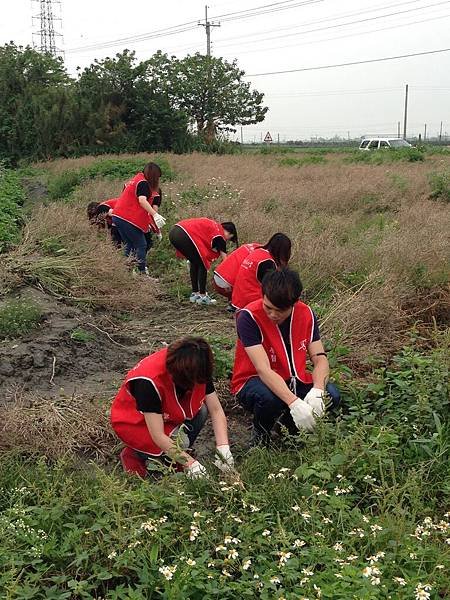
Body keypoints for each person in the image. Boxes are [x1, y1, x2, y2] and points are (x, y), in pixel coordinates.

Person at [231, 268, 340, 445]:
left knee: (332, 396)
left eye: (280, 310)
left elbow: (320, 358)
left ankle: (289, 425)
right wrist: (294, 402)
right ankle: (261, 436)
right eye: (268, 307)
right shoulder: (248, 317)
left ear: (294, 303)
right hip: (254, 380)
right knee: (268, 398)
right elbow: (262, 369)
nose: (273, 314)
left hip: (293, 378)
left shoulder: (306, 314)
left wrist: (319, 389)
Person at [111, 337, 235, 478]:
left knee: (201, 412)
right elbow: (157, 435)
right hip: (135, 423)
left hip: (164, 414)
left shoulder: (198, 363)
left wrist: (223, 448)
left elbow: (216, 410)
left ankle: (171, 459)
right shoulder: (148, 382)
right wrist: (191, 464)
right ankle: (136, 454)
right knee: (182, 442)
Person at [111, 162, 166, 276]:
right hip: (127, 218)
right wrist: (155, 215)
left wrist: (156, 226)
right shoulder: (143, 184)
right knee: (141, 245)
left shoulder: (136, 180)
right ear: (153, 176)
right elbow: (142, 200)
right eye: (158, 177)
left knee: (130, 245)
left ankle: (125, 272)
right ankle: (142, 274)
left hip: (118, 216)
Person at [169, 218, 238, 305]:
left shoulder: (214, 227)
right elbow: (226, 261)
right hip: (185, 234)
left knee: (195, 262)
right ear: (229, 232)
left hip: (174, 231)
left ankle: (195, 294)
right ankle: (203, 296)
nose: (226, 240)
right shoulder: (220, 236)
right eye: (229, 238)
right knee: (203, 264)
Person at [231, 233, 291, 311]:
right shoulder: (268, 262)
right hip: (250, 302)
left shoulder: (258, 252)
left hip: (238, 299)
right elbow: (273, 288)